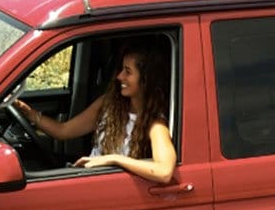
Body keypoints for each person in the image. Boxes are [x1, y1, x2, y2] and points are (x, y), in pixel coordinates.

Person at [14, 41, 177, 185]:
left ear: (146, 79)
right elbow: (63, 131)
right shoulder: (109, 104)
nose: (120, 76)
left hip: (108, 186)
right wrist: (29, 113)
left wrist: (114, 159)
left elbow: (164, 172)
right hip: (88, 177)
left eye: (128, 71)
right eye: (121, 69)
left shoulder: (155, 124)